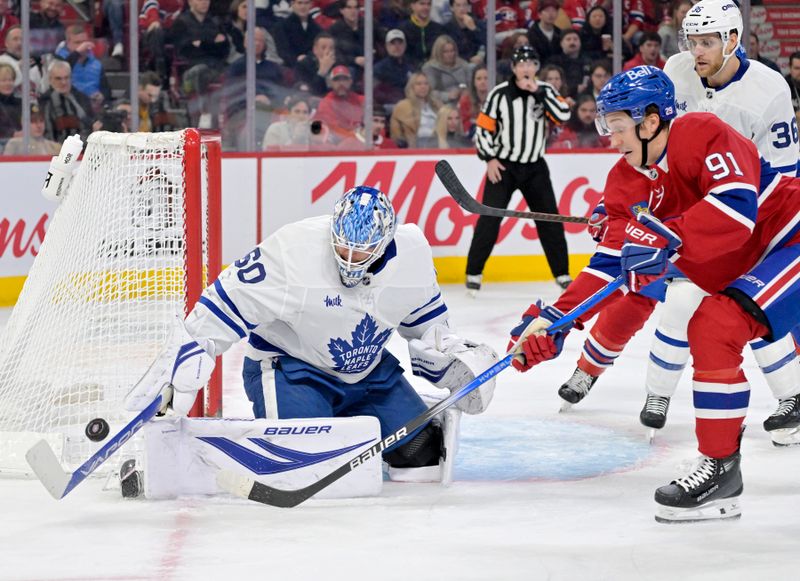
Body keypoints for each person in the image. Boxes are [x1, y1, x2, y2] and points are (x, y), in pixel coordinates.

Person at [509, 64, 800, 523]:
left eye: (619, 127)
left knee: (716, 323)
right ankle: (721, 470)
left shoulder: (702, 132)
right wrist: (555, 320)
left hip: (788, 238)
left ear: (650, 120)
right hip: (756, 268)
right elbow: (610, 266)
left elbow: (736, 212)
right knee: (711, 327)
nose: (612, 138)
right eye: (608, 127)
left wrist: (663, 235)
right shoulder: (624, 184)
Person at [556, 0, 800, 446]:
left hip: (744, 217)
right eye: (692, 41)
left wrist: (727, 231)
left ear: (733, 40)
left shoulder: (770, 89)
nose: (697, 51)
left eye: (708, 42)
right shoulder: (676, 69)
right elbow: (651, 149)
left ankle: (790, 399)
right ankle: (596, 372)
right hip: (686, 210)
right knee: (639, 295)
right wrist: (622, 209)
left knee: (740, 310)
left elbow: (783, 172)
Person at [137, 186, 497, 482]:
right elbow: (229, 300)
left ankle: (399, 413)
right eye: (343, 246)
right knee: (304, 467)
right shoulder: (294, 250)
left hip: (370, 373)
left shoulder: (412, 254)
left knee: (421, 459)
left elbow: (426, 326)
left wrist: (451, 358)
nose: (351, 259)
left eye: (364, 251)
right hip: (292, 370)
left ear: (386, 243)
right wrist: (192, 352)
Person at [466, 45, 572, 296]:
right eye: (521, 64)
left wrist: (540, 94)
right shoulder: (499, 94)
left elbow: (563, 115)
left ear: (536, 68)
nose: (526, 68)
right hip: (504, 165)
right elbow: (483, 129)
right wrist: (489, 158)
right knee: (489, 217)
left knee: (550, 219)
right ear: (514, 68)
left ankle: (562, 273)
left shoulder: (545, 90)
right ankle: (474, 272)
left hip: (535, 166)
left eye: (531, 63)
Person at [55, 25, 111, 104]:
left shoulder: (96, 64)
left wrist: (102, 96)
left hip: (94, 106)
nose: (82, 46)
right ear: (67, 43)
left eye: (84, 42)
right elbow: (61, 71)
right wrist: (77, 53)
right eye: (77, 42)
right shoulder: (58, 60)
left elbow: (106, 90)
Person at [389, 71, 441, 148]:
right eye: (419, 84)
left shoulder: (437, 104)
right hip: (415, 146)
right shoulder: (402, 106)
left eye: (426, 84)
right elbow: (396, 135)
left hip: (440, 144)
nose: (423, 87)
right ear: (411, 87)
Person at [314, 65, 365, 142]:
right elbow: (335, 130)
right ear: (330, 83)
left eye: (344, 79)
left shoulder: (362, 100)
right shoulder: (326, 102)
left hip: (360, 141)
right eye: (337, 80)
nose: (341, 83)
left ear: (350, 81)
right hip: (337, 144)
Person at [421, 35, 472, 107]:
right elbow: (428, 92)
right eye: (446, 52)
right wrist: (447, 95)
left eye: (452, 51)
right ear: (438, 52)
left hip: (464, 102)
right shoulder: (429, 68)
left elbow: (472, 85)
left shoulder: (464, 65)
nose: (450, 54)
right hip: (441, 105)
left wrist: (465, 91)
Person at [399, 0, 446, 68]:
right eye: (422, 4)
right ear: (413, 6)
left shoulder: (438, 29)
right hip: (411, 69)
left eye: (428, 4)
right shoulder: (403, 29)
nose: (426, 7)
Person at [457, 64, 489, 136]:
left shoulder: (499, 99)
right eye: (479, 79)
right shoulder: (465, 101)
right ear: (473, 82)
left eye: (486, 78)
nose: (482, 82)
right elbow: (464, 126)